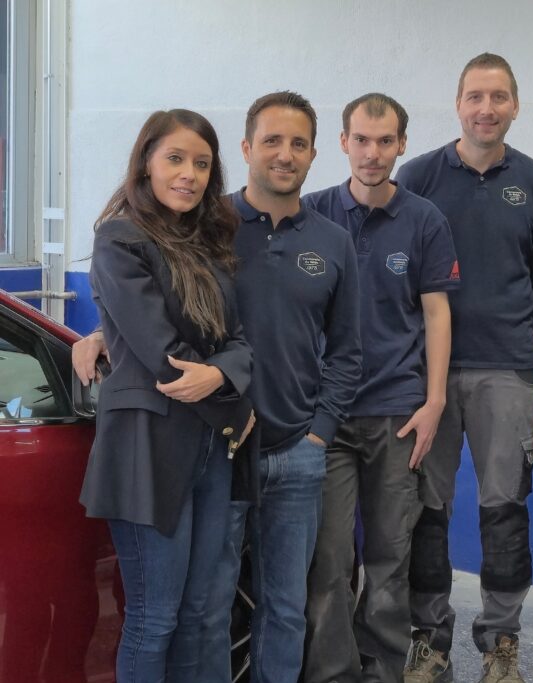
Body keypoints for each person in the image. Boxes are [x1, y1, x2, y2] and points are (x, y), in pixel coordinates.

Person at [75, 92, 362, 683]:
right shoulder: (214, 227)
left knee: (284, 607)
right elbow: (160, 327)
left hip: (287, 449)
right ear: (248, 148)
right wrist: (102, 332)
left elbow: (328, 346)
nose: (284, 154)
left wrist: (318, 433)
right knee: (191, 612)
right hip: (218, 445)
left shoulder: (318, 241)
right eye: (272, 141)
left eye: (298, 143)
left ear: (314, 153)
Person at [395, 53, 533, 683]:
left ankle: (500, 645)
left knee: (504, 511)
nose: (486, 109)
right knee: (426, 511)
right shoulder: (418, 174)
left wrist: (518, 346)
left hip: (507, 373)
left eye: (498, 97)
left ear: (515, 105)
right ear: (458, 104)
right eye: (474, 97)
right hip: (425, 380)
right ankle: (430, 641)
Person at [78, 108, 254, 683]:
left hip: (209, 445)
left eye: (202, 163)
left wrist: (225, 375)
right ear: (146, 162)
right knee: (154, 619)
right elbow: (165, 355)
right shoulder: (120, 238)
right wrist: (234, 399)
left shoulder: (210, 242)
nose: (189, 174)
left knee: (201, 611)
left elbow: (240, 342)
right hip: (148, 448)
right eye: (175, 158)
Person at [301, 93, 458, 683]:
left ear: (401, 145)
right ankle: (334, 674)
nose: (372, 153)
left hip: (399, 414)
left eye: (384, 141)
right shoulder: (311, 213)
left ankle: (382, 671)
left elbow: (437, 313)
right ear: (343, 142)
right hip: (327, 419)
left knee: (391, 559)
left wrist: (434, 401)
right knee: (330, 560)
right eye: (361, 140)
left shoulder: (425, 220)